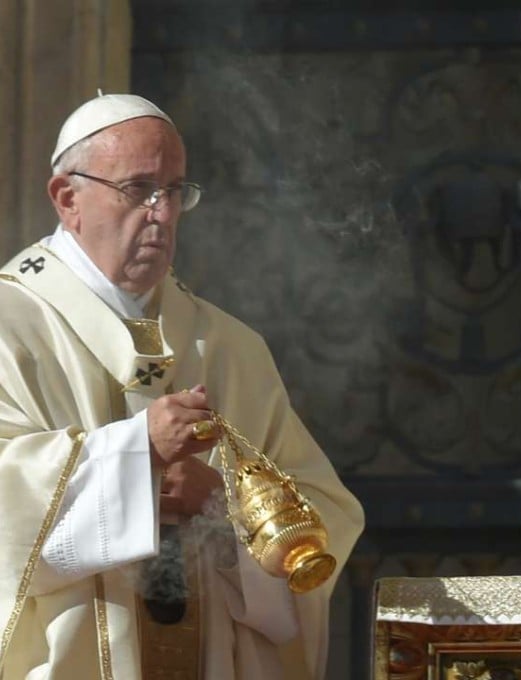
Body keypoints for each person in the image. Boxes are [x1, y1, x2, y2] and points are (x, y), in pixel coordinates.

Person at [0, 93, 365, 679]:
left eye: (174, 192)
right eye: (138, 189)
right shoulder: (9, 328)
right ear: (67, 198)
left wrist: (225, 507)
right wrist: (131, 458)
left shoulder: (229, 346)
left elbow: (325, 517)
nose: (163, 213)